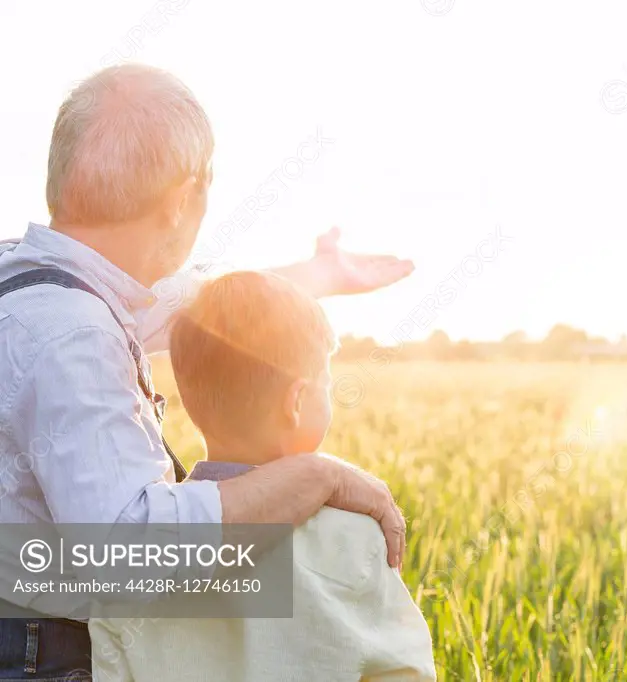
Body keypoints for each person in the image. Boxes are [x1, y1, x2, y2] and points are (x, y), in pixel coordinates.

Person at [0, 64, 413, 679]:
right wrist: (312, 477)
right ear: (181, 201)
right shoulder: (76, 334)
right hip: (48, 658)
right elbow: (125, 553)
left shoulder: (33, 284)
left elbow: (193, 314)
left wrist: (314, 278)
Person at [90, 271, 436, 681]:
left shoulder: (145, 549)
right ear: (296, 402)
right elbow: (403, 671)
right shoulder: (354, 535)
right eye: (325, 381)